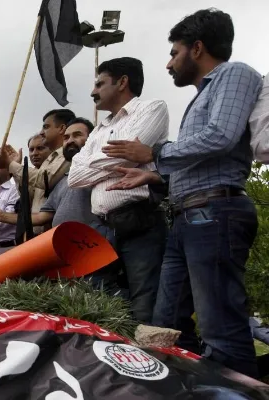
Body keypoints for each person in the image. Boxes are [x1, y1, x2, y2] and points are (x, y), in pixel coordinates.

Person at [103, 9, 264, 378]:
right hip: (189, 217)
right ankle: (190, 386)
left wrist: (155, 153)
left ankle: (236, 392)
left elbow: (220, 136)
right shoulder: (202, 95)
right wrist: (154, 176)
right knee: (167, 322)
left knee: (220, 325)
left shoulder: (234, 74)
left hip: (214, 213)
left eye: (174, 53)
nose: (168, 63)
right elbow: (202, 158)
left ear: (198, 48)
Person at [67, 57, 170, 324]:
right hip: (102, 227)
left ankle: (148, 351)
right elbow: (74, 177)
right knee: (97, 302)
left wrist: (95, 162)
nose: (93, 91)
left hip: (140, 222)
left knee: (145, 303)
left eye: (100, 84)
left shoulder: (152, 108)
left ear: (122, 82)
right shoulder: (99, 129)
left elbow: (127, 157)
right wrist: (115, 160)